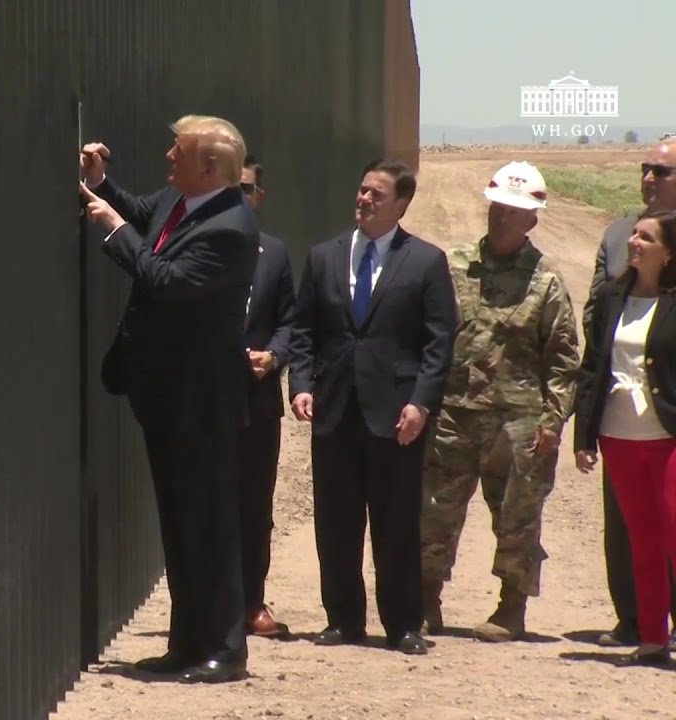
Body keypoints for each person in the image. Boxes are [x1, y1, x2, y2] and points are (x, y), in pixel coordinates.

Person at [78, 114, 259, 683]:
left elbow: (165, 278)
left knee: (209, 525)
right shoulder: (181, 201)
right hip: (167, 394)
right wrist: (100, 183)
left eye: (178, 151)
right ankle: (188, 643)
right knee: (180, 525)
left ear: (210, 168)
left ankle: (225, 650)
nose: (168, 157)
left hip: (201, 400)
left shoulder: (230, 228)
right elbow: (143, 214)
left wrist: (112, 230)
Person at [288, 159, 456, 656]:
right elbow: (304, 330)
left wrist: (421, 403)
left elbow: (438, 342)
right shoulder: (324, 257)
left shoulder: (425, 261)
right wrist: (301, 383)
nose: (363, 200)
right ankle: (343, 620)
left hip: (396, 415)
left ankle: (403, 624)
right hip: (336, 409)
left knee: (396, 522)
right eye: (362, 190)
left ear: (401, 204)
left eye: (376, 195)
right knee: (336, 522)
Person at [418, 161, 579, 643]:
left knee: (517, 518)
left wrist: (552, 421)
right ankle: (425, 600)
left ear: (532, 218)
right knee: (434, 511)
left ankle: (512, 606)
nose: (502, 216)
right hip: (454, 413)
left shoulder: (545, 280)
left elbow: (563, 359)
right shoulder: (454, 266)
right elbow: (427, 335)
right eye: (498, 207)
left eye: (514, 210)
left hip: (518, 422)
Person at [583, 139, 676, 649]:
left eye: (661, 170)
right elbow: (597, 312)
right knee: (630, 528)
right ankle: (638, 623)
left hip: (668, 420)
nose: (648, 177)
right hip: (623, 420)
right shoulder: (618, 233)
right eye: (645, 168)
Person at [236, 157, 296, 639]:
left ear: (259, 197)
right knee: (204, 504)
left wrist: (274, 357)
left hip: (256, 400)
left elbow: (290, 321)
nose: (237, 197)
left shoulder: (273, 253)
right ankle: (207, 605)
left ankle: (252, 603)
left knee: (255, 507)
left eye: (245, 189)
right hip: (204, 400)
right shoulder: (195, 245)